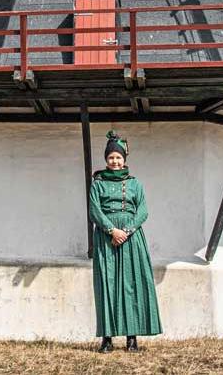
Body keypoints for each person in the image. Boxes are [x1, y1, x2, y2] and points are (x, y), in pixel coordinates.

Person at [88, 130, 162, 352]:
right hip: (105, 237)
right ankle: (107, 339)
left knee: (132, 284)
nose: (115, 161)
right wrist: (112, 230)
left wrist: (126, 231)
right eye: (111, 157)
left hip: (131, 238)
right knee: (107, 284)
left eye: (118, 157)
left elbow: (143, 211)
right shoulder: (97, 184)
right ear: (106, 159)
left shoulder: (135, 184)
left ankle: (132, 339)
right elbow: (94, 209)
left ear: (124, 159)